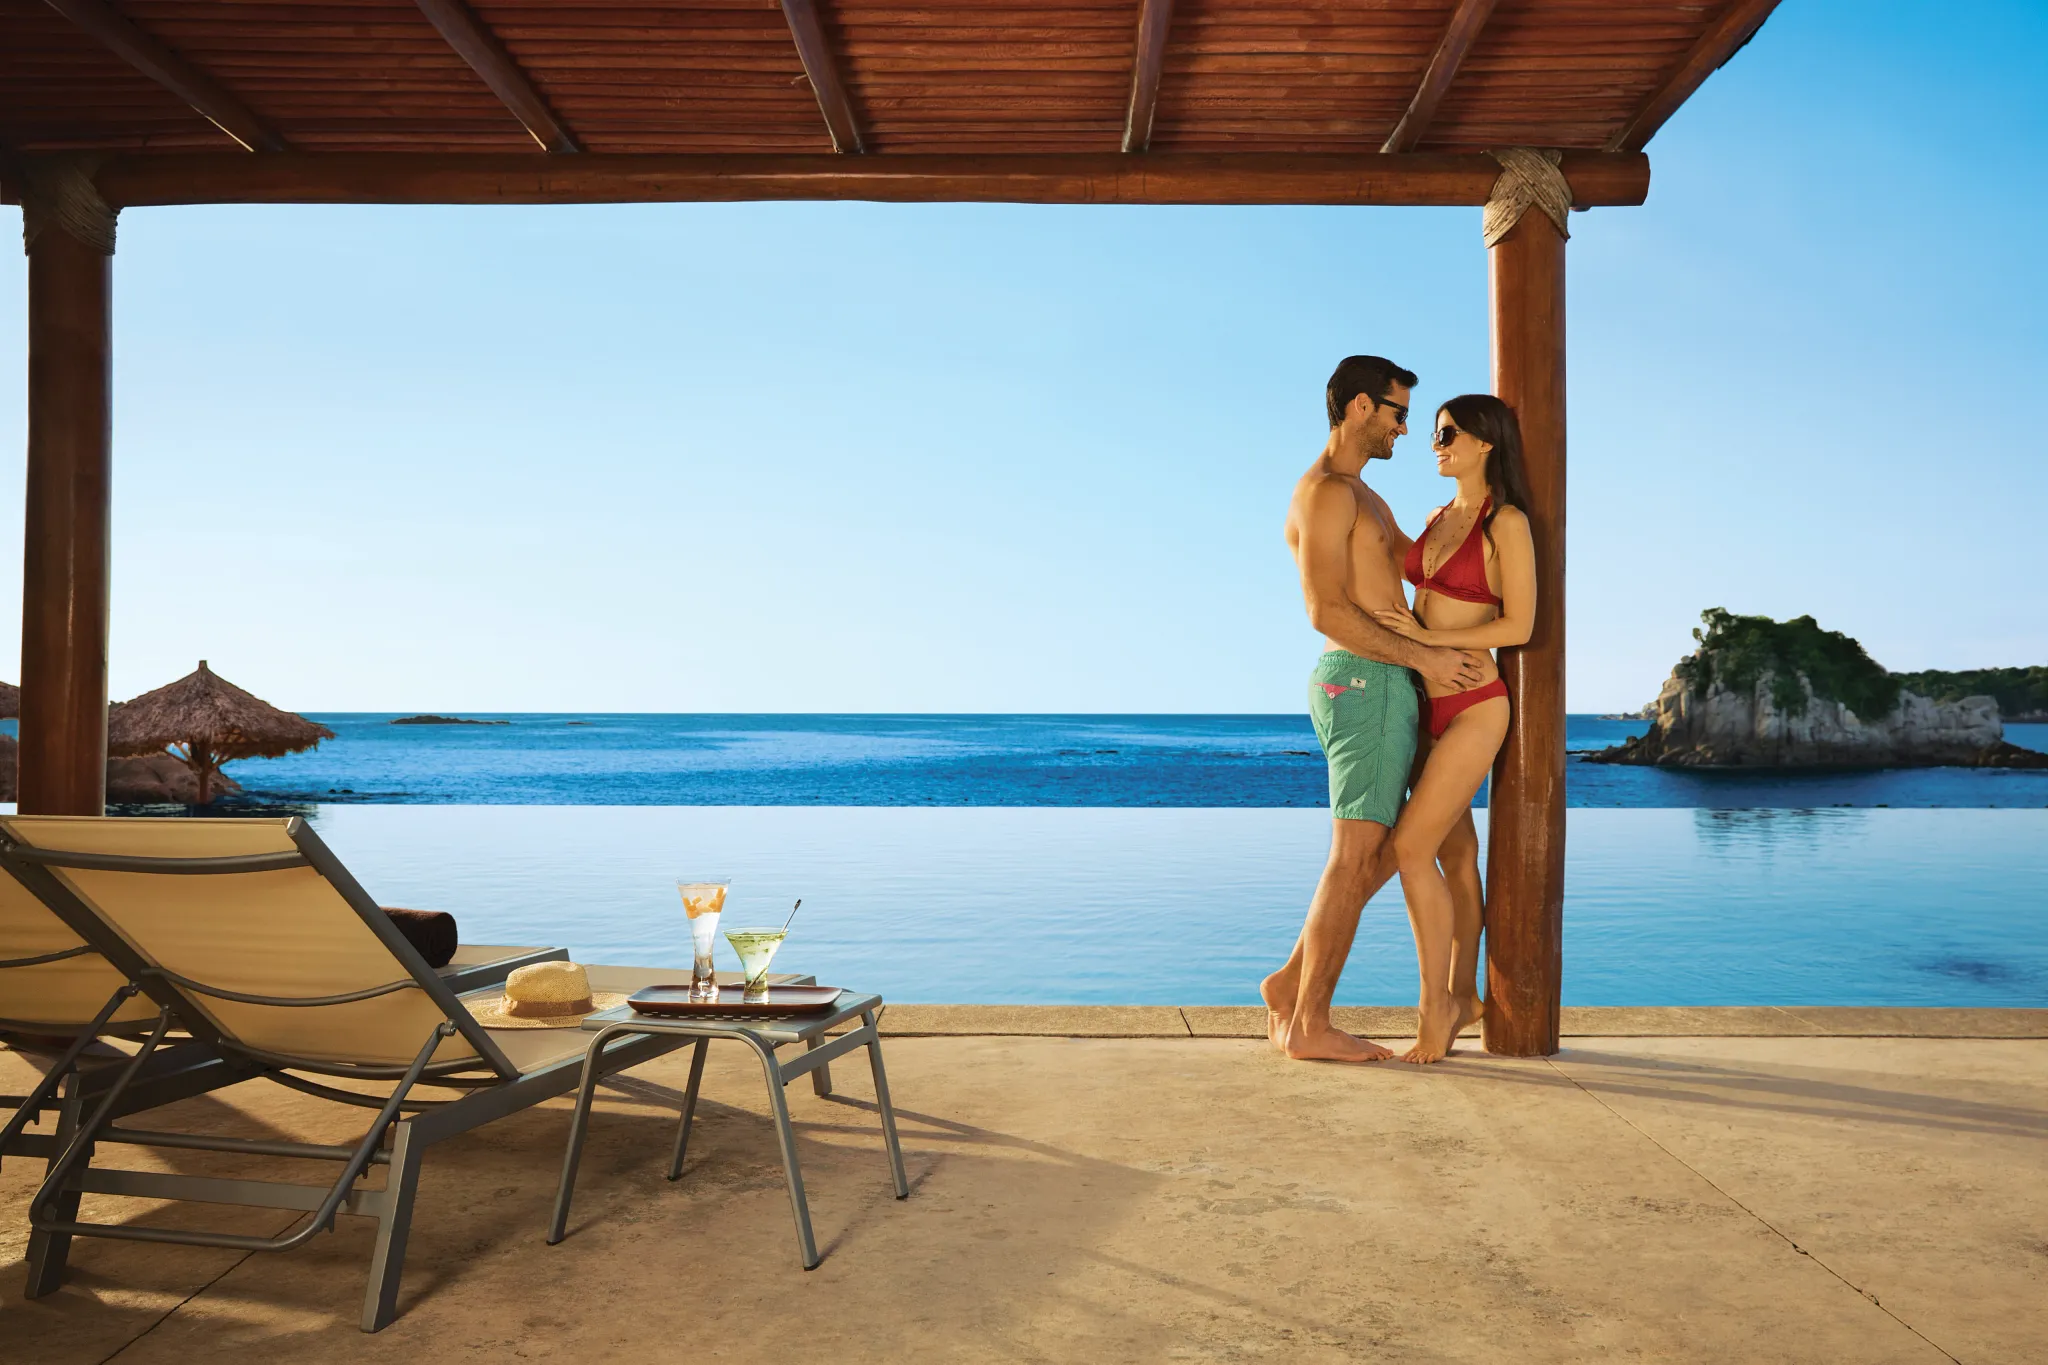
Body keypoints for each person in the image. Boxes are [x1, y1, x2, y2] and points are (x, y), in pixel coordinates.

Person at [1261, 357, 1487, 1063]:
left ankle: (1292, 981)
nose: (1405, 428)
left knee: (1415, 840)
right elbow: (1324, 607)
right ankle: (1307, 1022)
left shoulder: (1364, 497)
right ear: (1360, 406)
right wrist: (1423, 658)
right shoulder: (1328, 493)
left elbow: (1416, 573)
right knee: (1356, 854)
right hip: (1366, 681)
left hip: (1381, 684)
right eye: (1397, 412)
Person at [1370, 394, 1536, 1063]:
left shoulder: (1508, 523)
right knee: (1455, 856)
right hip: (1423, 703)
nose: (1434, 443)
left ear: (1486, 442)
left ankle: (1435, 1007)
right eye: (1434, 434)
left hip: (1474, 704)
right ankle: (1464, 995)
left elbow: (1520, 625)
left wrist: (1429, 637)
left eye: (1446, 433)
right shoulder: (1440, 517)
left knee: (1410, 848)